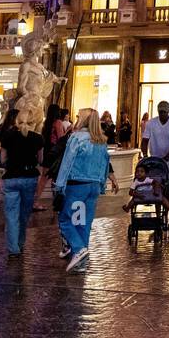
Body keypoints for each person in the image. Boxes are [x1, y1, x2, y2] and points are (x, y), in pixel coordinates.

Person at [55, 108, 110, 273]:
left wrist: (59, 186)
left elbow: (67, 162)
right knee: (83, 222)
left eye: (79, 116)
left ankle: (79, 249)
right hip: (93, 186)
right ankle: (80, 259)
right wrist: (102, 185)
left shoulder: (77, 138)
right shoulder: (101, 141)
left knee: (66, 220)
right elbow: (106, 164)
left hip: (77, 184)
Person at [0, 108, 43, 256]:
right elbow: (41, 160)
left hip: (11, 178)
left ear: (17, 121)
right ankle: (21, 242)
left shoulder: (8, 136)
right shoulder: (37, 138)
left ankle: (13, 249)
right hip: (30, 177)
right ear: (33, 121)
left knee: (11, 215)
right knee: (24, 214)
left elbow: (2, 159)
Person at [142, 100, 169, 207]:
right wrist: (146, 156)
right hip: (156, 162)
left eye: (164, 112)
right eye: (160, 112)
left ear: (168, 111)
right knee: (157, 186)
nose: (162, 114)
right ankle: (158, 210)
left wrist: (166, 157)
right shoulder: (151, 123)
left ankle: (166, 208)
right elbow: (145, 141)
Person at [35, 105, 70, 212]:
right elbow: (61, 139)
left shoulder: (46, 124)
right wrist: (68, 131)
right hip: (55, 154)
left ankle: (37, 201)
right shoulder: (58, 123)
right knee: (55, 178)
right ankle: (55, 202)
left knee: (44, 179)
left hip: (47, 151)